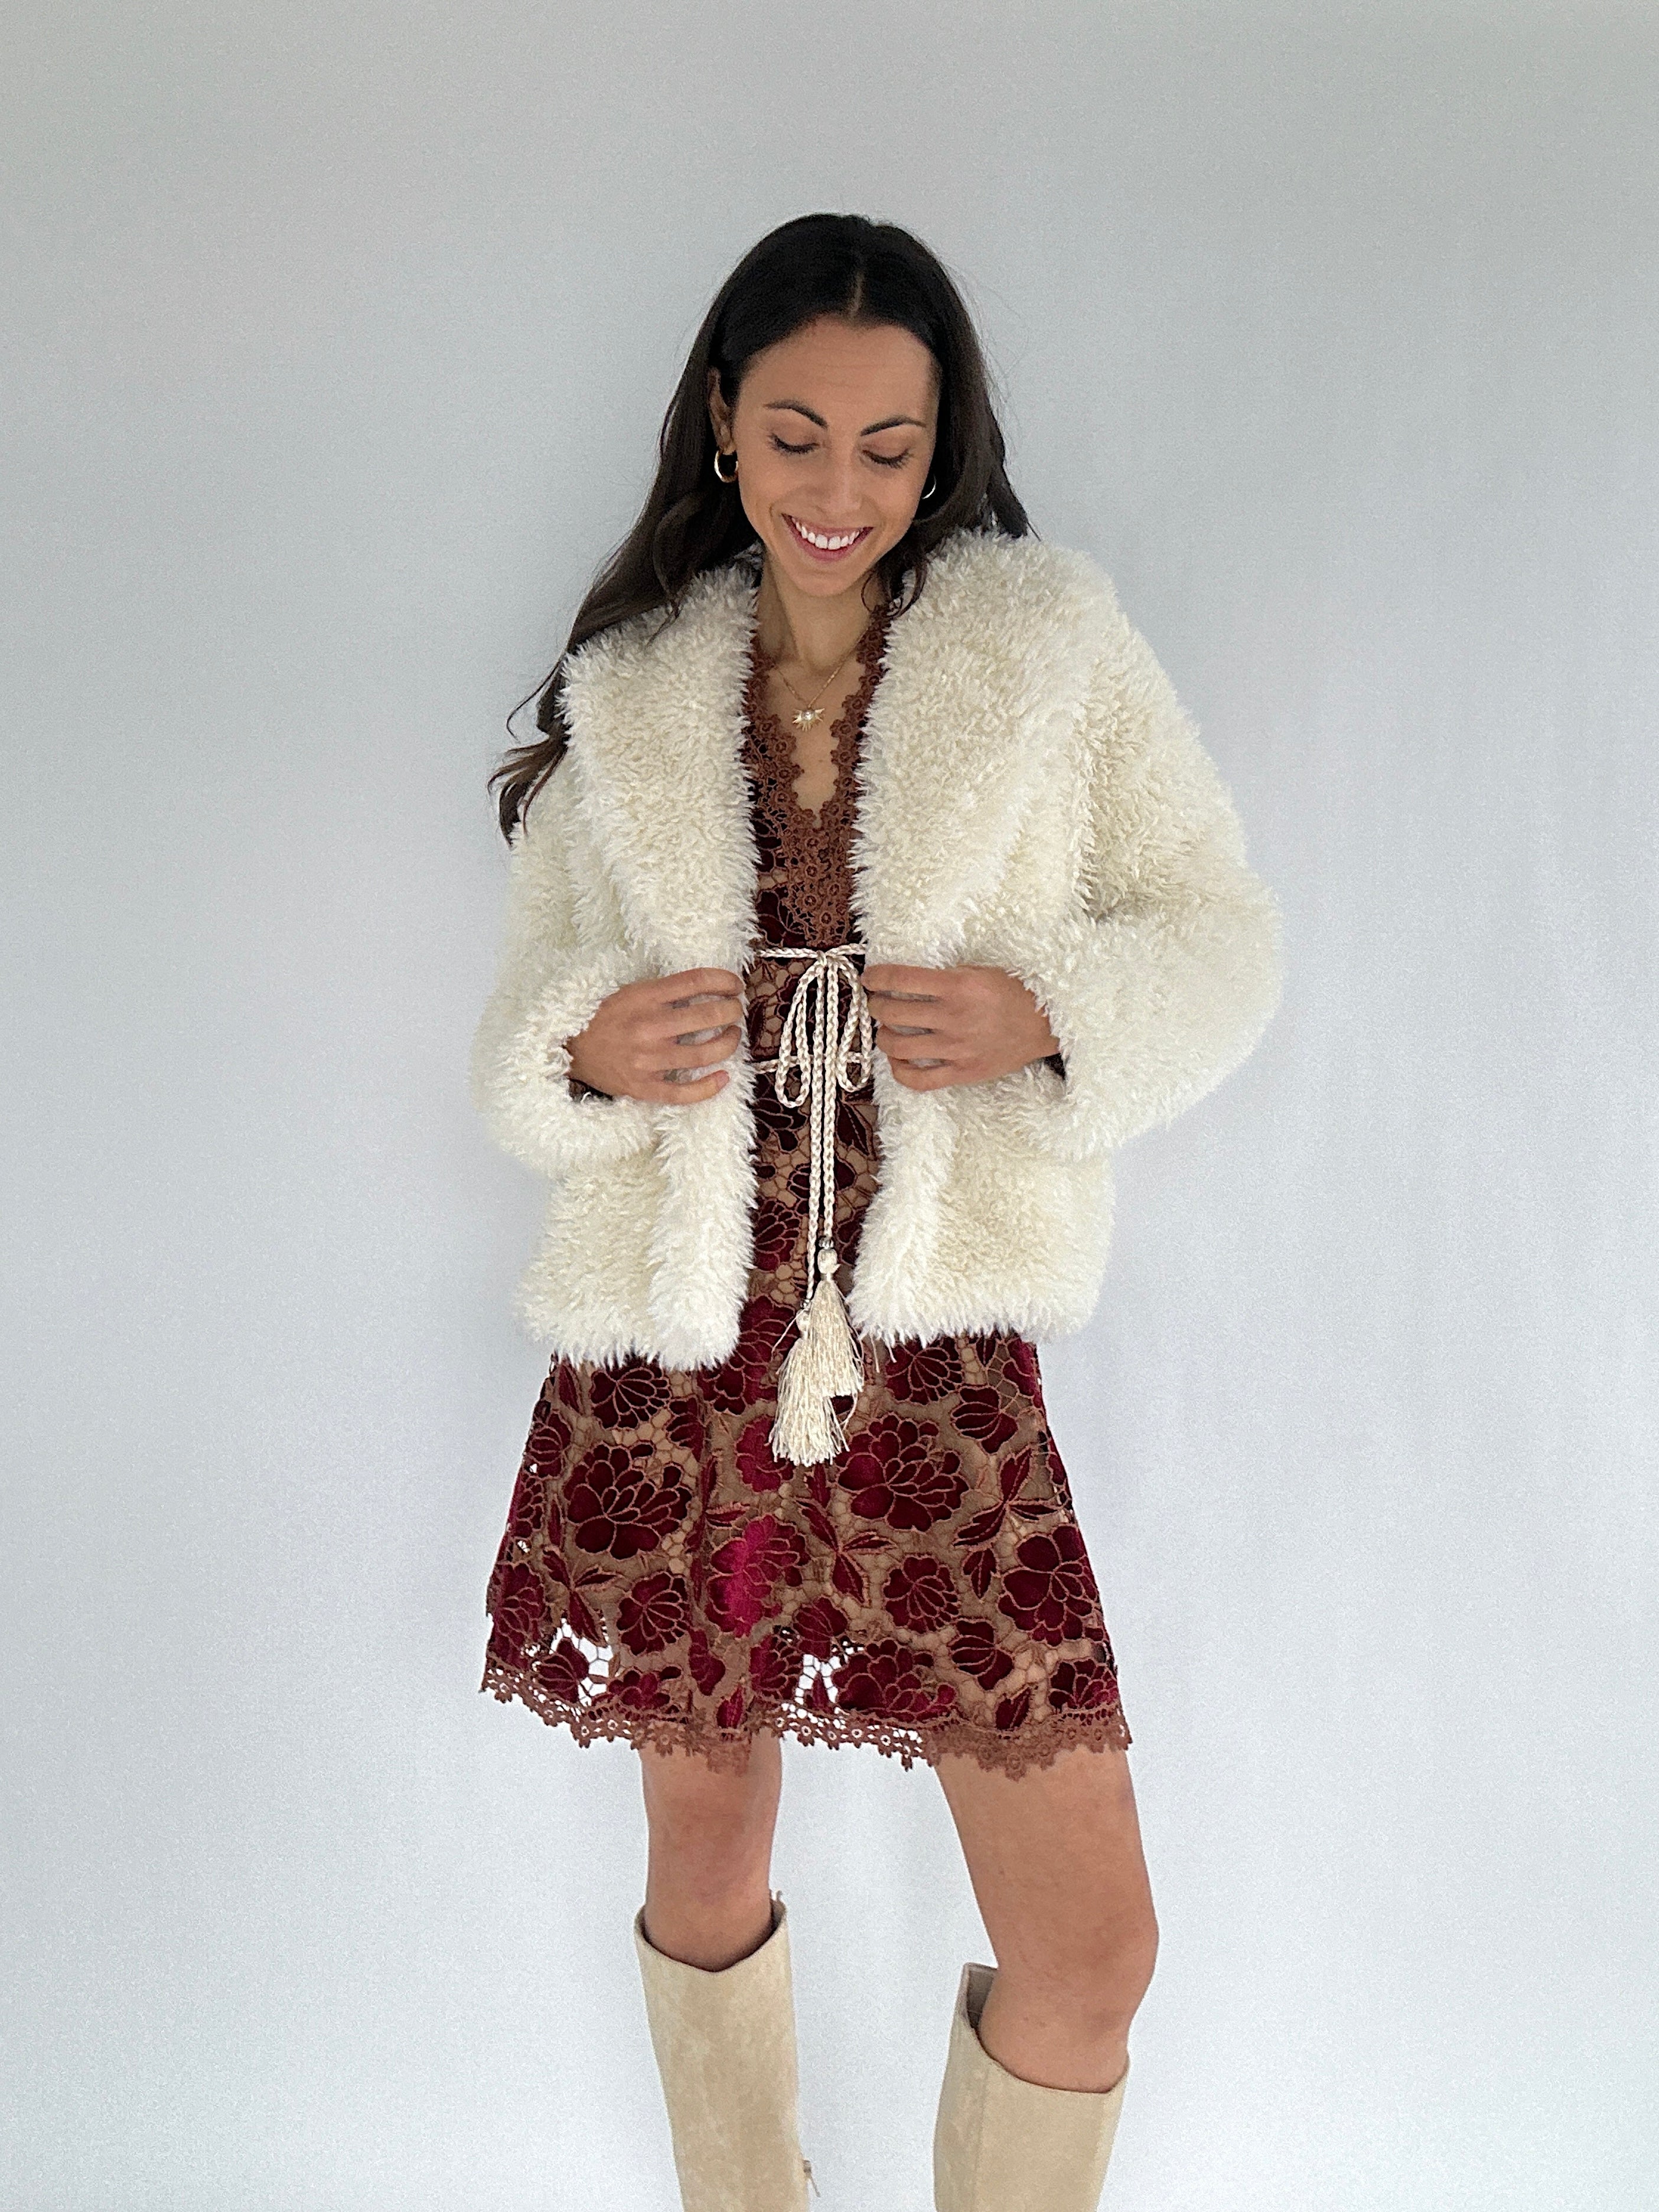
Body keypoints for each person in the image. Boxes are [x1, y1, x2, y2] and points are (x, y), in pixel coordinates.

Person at [471, 212, 1280, 2212]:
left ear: (943, 451)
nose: (840, 488)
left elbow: (1220, 938)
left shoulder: (1045, 648)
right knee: (703, 1858)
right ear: (724, 431)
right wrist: (578, 1054)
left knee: (1093, 1948)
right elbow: (524, 1015)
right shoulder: (635, 685)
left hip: (923, 1356)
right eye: (797, 435)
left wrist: (1045, 1011)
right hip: (680, 1342)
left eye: (889, 448)